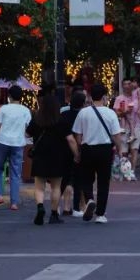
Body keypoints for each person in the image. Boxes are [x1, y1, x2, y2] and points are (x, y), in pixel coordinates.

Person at [72, 83, 126, 223]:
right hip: (105, 149)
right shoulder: (110, 113)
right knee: (103, 181)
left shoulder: (83, 113)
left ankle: (90, 199)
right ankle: (101, 214)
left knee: (86, 179)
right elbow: (116, 135)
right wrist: (120, 149)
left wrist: (79, 148)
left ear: (90, 96)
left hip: (87, 148)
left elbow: (77, 134)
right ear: (104, 97)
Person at [29, 91, 73, 226]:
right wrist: (76, 153)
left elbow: (27, 133)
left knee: (39, 186)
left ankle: (40, 207)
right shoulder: (61, 120)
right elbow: (70, 139)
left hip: (40, 155)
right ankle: (54, 214)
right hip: (57, 156)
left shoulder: (36, 119)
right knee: (56, 186)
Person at [0, 85, 32, 210]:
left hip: (2, 141)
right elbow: (26, 129)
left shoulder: (3, 109)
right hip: (18, 143)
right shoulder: (26, 111)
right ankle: (14, 203)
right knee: (15, 173)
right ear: (21, 97)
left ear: (9, 96)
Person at [60, 90, 87, 218]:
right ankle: (78, 206)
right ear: (83, 103)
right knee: (79, 179)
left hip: (64, 149)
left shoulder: (64, 114)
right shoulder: (84, 115)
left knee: (66, 178)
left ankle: (65, 206)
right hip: (79, 148)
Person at [113, 80, 140, 173]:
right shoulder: (119, 98)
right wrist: (124, 112)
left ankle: (132, 171)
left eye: (129, 84)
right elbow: (116, 113)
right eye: (125, 84)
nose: (127, 86)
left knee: (134, 150)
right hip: (124, 127)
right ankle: (125, 171)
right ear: (122, 86)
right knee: (124, 151)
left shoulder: (137, 97)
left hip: (136, 126)